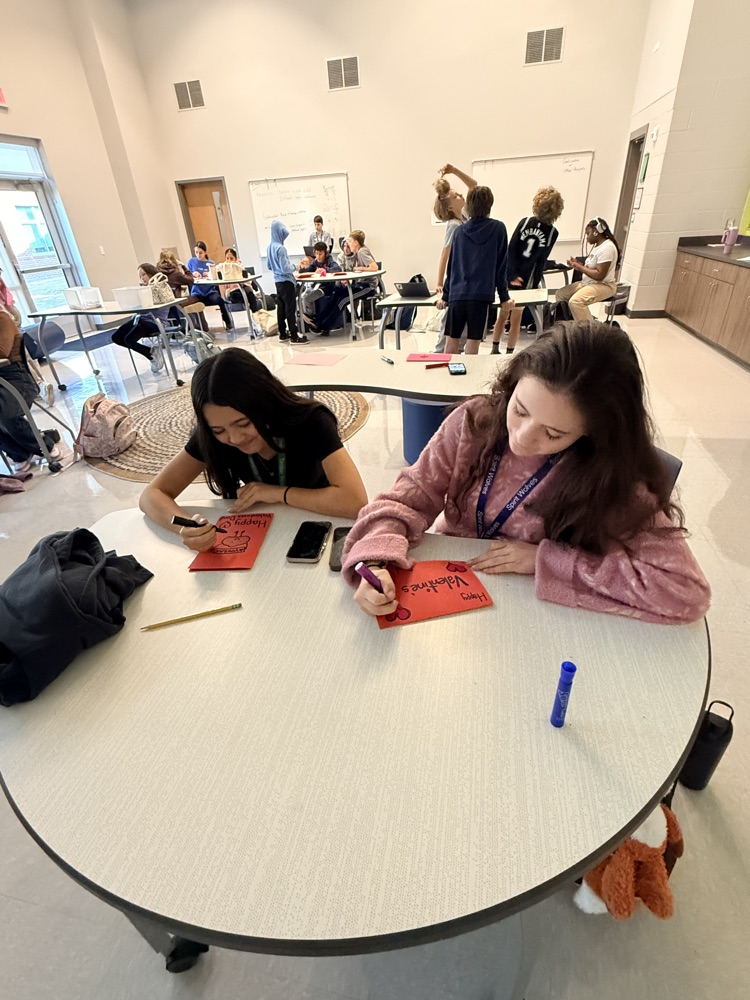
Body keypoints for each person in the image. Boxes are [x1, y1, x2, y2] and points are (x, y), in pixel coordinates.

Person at [342, 321, 710, 626]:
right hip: (449, 599)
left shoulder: (611, 479)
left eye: (553, 434)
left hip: (539, 621)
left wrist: (544, 561)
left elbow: (685, 592)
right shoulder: (474, 422)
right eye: (519, 409)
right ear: (513, 382)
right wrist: (376, 560)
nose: (521, 437)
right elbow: (407, 498)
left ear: (594, 433)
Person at [139, 348, 367, 551]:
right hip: (261, 538)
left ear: (265, 403)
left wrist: (275, 492)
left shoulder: (311, 421)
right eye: (219, 430)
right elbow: (151, 495)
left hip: (318, 528)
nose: (235, 438)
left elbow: (354, 501)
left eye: (244, 423)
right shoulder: (210, 437)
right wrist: (184, 527)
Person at [491, 187, 565, 355]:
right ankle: (510, 352)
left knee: (503, 314)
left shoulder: (524, 222)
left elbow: (511, 250)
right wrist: (535, 283)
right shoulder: (553, 232)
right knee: (516, 319)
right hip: (528, 280)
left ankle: (495, 348)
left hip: (511, 277)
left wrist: (510, 276)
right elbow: (541, 260)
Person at [440, 185, 512, 355]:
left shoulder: (459, 231)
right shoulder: (498, 228)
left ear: (469, 205)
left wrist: (445, 295)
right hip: (481, 294)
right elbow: (501, 265)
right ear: (490, 204)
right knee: (474, 341)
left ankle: (444, 378)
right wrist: (504, 296)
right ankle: (468, 379)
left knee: (451, 340)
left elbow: (452, 267)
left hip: (457, 294)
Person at [0, 306, 62, 473]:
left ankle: (44, 445)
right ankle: (18, 453)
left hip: (16, 377)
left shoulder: (2, 319)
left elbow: (2, 352)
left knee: (9, 416)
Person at [431, 163, 477, 351]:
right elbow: (445, 253)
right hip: (457, 285)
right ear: (449, 206)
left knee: (462, 337)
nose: (461, 196)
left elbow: (474, 186)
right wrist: (440, 282)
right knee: (447, 338)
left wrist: (454, 171)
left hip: (468, 285)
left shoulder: (466, 216)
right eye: (456, 196)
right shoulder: (454, 225)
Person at [110, 264, 171, 374]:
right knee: (116, 337)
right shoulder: (144, 289)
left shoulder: (160, 287)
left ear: (151, 273)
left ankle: (151, 354)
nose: (142, 278)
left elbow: (151, 307)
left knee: (129, 339)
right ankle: (151, 352)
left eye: (144, 274)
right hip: (142, 319)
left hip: (155, 321)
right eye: (140, 276)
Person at [556, 218, 620, 322]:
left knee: (576, 302)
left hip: (604, 285)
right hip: (589, 283)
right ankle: (573, 322)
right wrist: (577, 264)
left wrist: (580, 267)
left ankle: (590, 332)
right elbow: (591, 268)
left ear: (596, 231)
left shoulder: (607, 248)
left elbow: (600, 275)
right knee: (560, 294)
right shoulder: (598, 247)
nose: (587, 237)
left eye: (588, 233)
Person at [267, 220, 308, 345]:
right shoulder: (281, 248)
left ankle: (283, 333)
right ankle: (294, 335)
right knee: (290, 308)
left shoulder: (269, 247)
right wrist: (296, 267)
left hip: (278, 282)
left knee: (281, 308)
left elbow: (269, 266)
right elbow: (286, 268)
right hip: (286, 281)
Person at [186, 241, 234, 332]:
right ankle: (199, 326)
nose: (198, 255)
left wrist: (209, 274)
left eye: (200, 253)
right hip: (197, 292)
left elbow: (216, 278)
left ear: (205, 252)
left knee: (219, 300)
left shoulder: (211, 263)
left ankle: (228, 322)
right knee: (191, 304)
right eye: (196, 252)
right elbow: (186, 275)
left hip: (209, 292)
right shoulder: (191, 261)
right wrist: (193, 274)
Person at [299, 242, 337, 334]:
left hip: (327, 288)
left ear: (325, 253)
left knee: (307, 299)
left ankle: (313, 319)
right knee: (302, 296)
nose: (318, 256)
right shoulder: (316, 261)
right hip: (317, 286)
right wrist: (301, 269)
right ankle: (307, 317)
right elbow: (309, 270)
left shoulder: (329, 260)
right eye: (316, 254)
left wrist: (325, 270)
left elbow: (337, 268)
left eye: (320, 254)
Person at [218, 247, 260, 312]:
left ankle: (256, 314)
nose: (229, 260)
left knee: (250, 293)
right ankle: (249, 305)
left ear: (235, 258)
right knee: (238, 296)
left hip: (243, 286)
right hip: (233, 290)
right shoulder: (223, 267)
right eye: (227, 258)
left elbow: (247, 279)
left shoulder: (239, 265)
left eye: (231, 258)